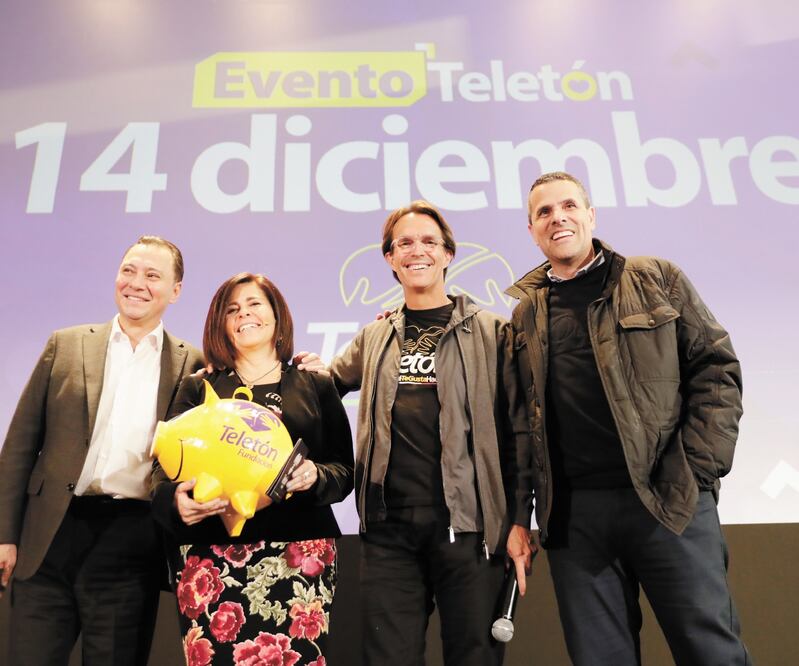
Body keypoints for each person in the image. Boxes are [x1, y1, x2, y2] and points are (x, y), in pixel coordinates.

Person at [506, 171, 751, 665]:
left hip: (668, 501)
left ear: (591, 216)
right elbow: (520, 424)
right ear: (531, 230)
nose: (558, 218)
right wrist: (522, 513)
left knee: (712, 653)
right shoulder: (525, 316)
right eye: (544, 212)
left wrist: (695, 470)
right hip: (576, 522)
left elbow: (716, 368)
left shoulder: (654, 276)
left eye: (569, 206)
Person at [324, 201, 533, 665]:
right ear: (390, 259)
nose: (416, 250)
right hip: (388, 533)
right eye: (404, 243)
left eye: (428, 242)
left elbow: (521, 433)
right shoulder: (374, 337)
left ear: (447, 254)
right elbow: (321, 389)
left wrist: (519, 521)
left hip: (470, 530)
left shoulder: (492, 332)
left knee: (474, 657)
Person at [0, 236, 204, 665]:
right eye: (129, 270)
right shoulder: (67, 344)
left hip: (131, 542)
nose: (136, 283)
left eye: (152, 275)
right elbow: (19, 444)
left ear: (176, 290)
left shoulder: (192, 363)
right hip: (49, 536)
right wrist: (4, 534)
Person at [151, 272, 354, 666]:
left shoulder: (316, 384)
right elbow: (162, 471)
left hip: (300, 554)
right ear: (220, 325)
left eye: (255, 304)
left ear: (277, 316)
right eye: (232, 309)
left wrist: (316, 475)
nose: (244, 314)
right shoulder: (199, 387)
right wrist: (176, 503)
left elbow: (344, 470)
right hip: (210, 555)